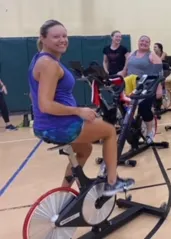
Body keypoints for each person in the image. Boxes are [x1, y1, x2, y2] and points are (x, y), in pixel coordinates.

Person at [28, 19, 134, 197]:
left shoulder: (39, 59)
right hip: (59, 125)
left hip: (45, 125)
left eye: (64, 35)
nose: (62, 40)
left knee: (85, 149)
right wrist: (78, 111)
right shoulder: (49, 65)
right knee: (109, 131)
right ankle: (112, 182)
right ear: (43, 38)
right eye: (56, 36)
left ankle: (64, 192)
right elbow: (45, 105)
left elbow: (35, 96)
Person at [118, 35, 163, 142]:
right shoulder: (131, 55)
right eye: (142, 41)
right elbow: (125, 70)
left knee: (144, 110)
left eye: (146, 42)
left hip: (146, 87)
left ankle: (150, 131)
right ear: (138, 42)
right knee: (125, 110)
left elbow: (159, 73)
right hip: (131, 87)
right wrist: (116, 78)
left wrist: (159, 88)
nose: (144, 43)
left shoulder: (152, 56)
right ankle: (132, 129)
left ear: (149, 44)